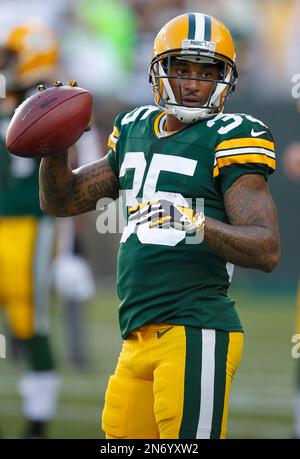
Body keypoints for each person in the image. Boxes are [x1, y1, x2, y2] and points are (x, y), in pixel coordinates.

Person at [39, 13, 280, 439]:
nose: (192, 82)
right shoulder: (133, 129)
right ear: (157, 70)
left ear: (225, 79)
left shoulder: (232, 136)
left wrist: (195, 222)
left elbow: (266, 249)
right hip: (136, 336)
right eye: (180, 68)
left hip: (196, 328)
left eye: (206, 72)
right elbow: (62, 200)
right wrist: (54, 146)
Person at [0, 20, 60, 438]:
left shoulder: (58, 103)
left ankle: (37, 423)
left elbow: (76, 176)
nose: (5, 65)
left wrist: (70, 251)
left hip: (32, 230)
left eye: (11, 57)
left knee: (30, 322)